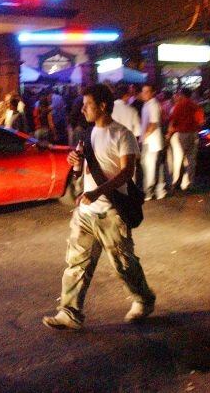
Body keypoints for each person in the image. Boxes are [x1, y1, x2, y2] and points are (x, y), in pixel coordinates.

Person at [42, 84, 155, 331]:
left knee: (123, 264)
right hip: (86, 213)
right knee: (76, 263)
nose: (83, 109)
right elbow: (81, 171)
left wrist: (98, 192)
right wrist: (75, 163)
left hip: (111, 212)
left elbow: (127, 172)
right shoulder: (87, 134)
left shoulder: (122, 135)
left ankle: (143, 299)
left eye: (87, 104)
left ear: (102, 106)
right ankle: (69, 312)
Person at [167, 88, 204, 193]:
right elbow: (201, 121)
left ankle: (176, 182)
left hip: (182, 134)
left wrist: (169, 134)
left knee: (179, 158)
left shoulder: (179, 106)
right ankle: (190, 182)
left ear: (182, 95)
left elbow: (173, 121)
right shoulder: (196, 106)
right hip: (194, 133)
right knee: (191, 159)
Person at [140, 83, 166, 201]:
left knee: (149, 167)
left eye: (147, 91)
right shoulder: (147, 104)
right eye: (143, 91)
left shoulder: (153, 105)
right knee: (152, 166)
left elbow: (153, 124)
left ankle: (149, 192)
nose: (144, 94)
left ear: (152, 93)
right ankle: (157, 191)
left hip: (151, 142)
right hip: (150, 142)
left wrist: (144, 137)